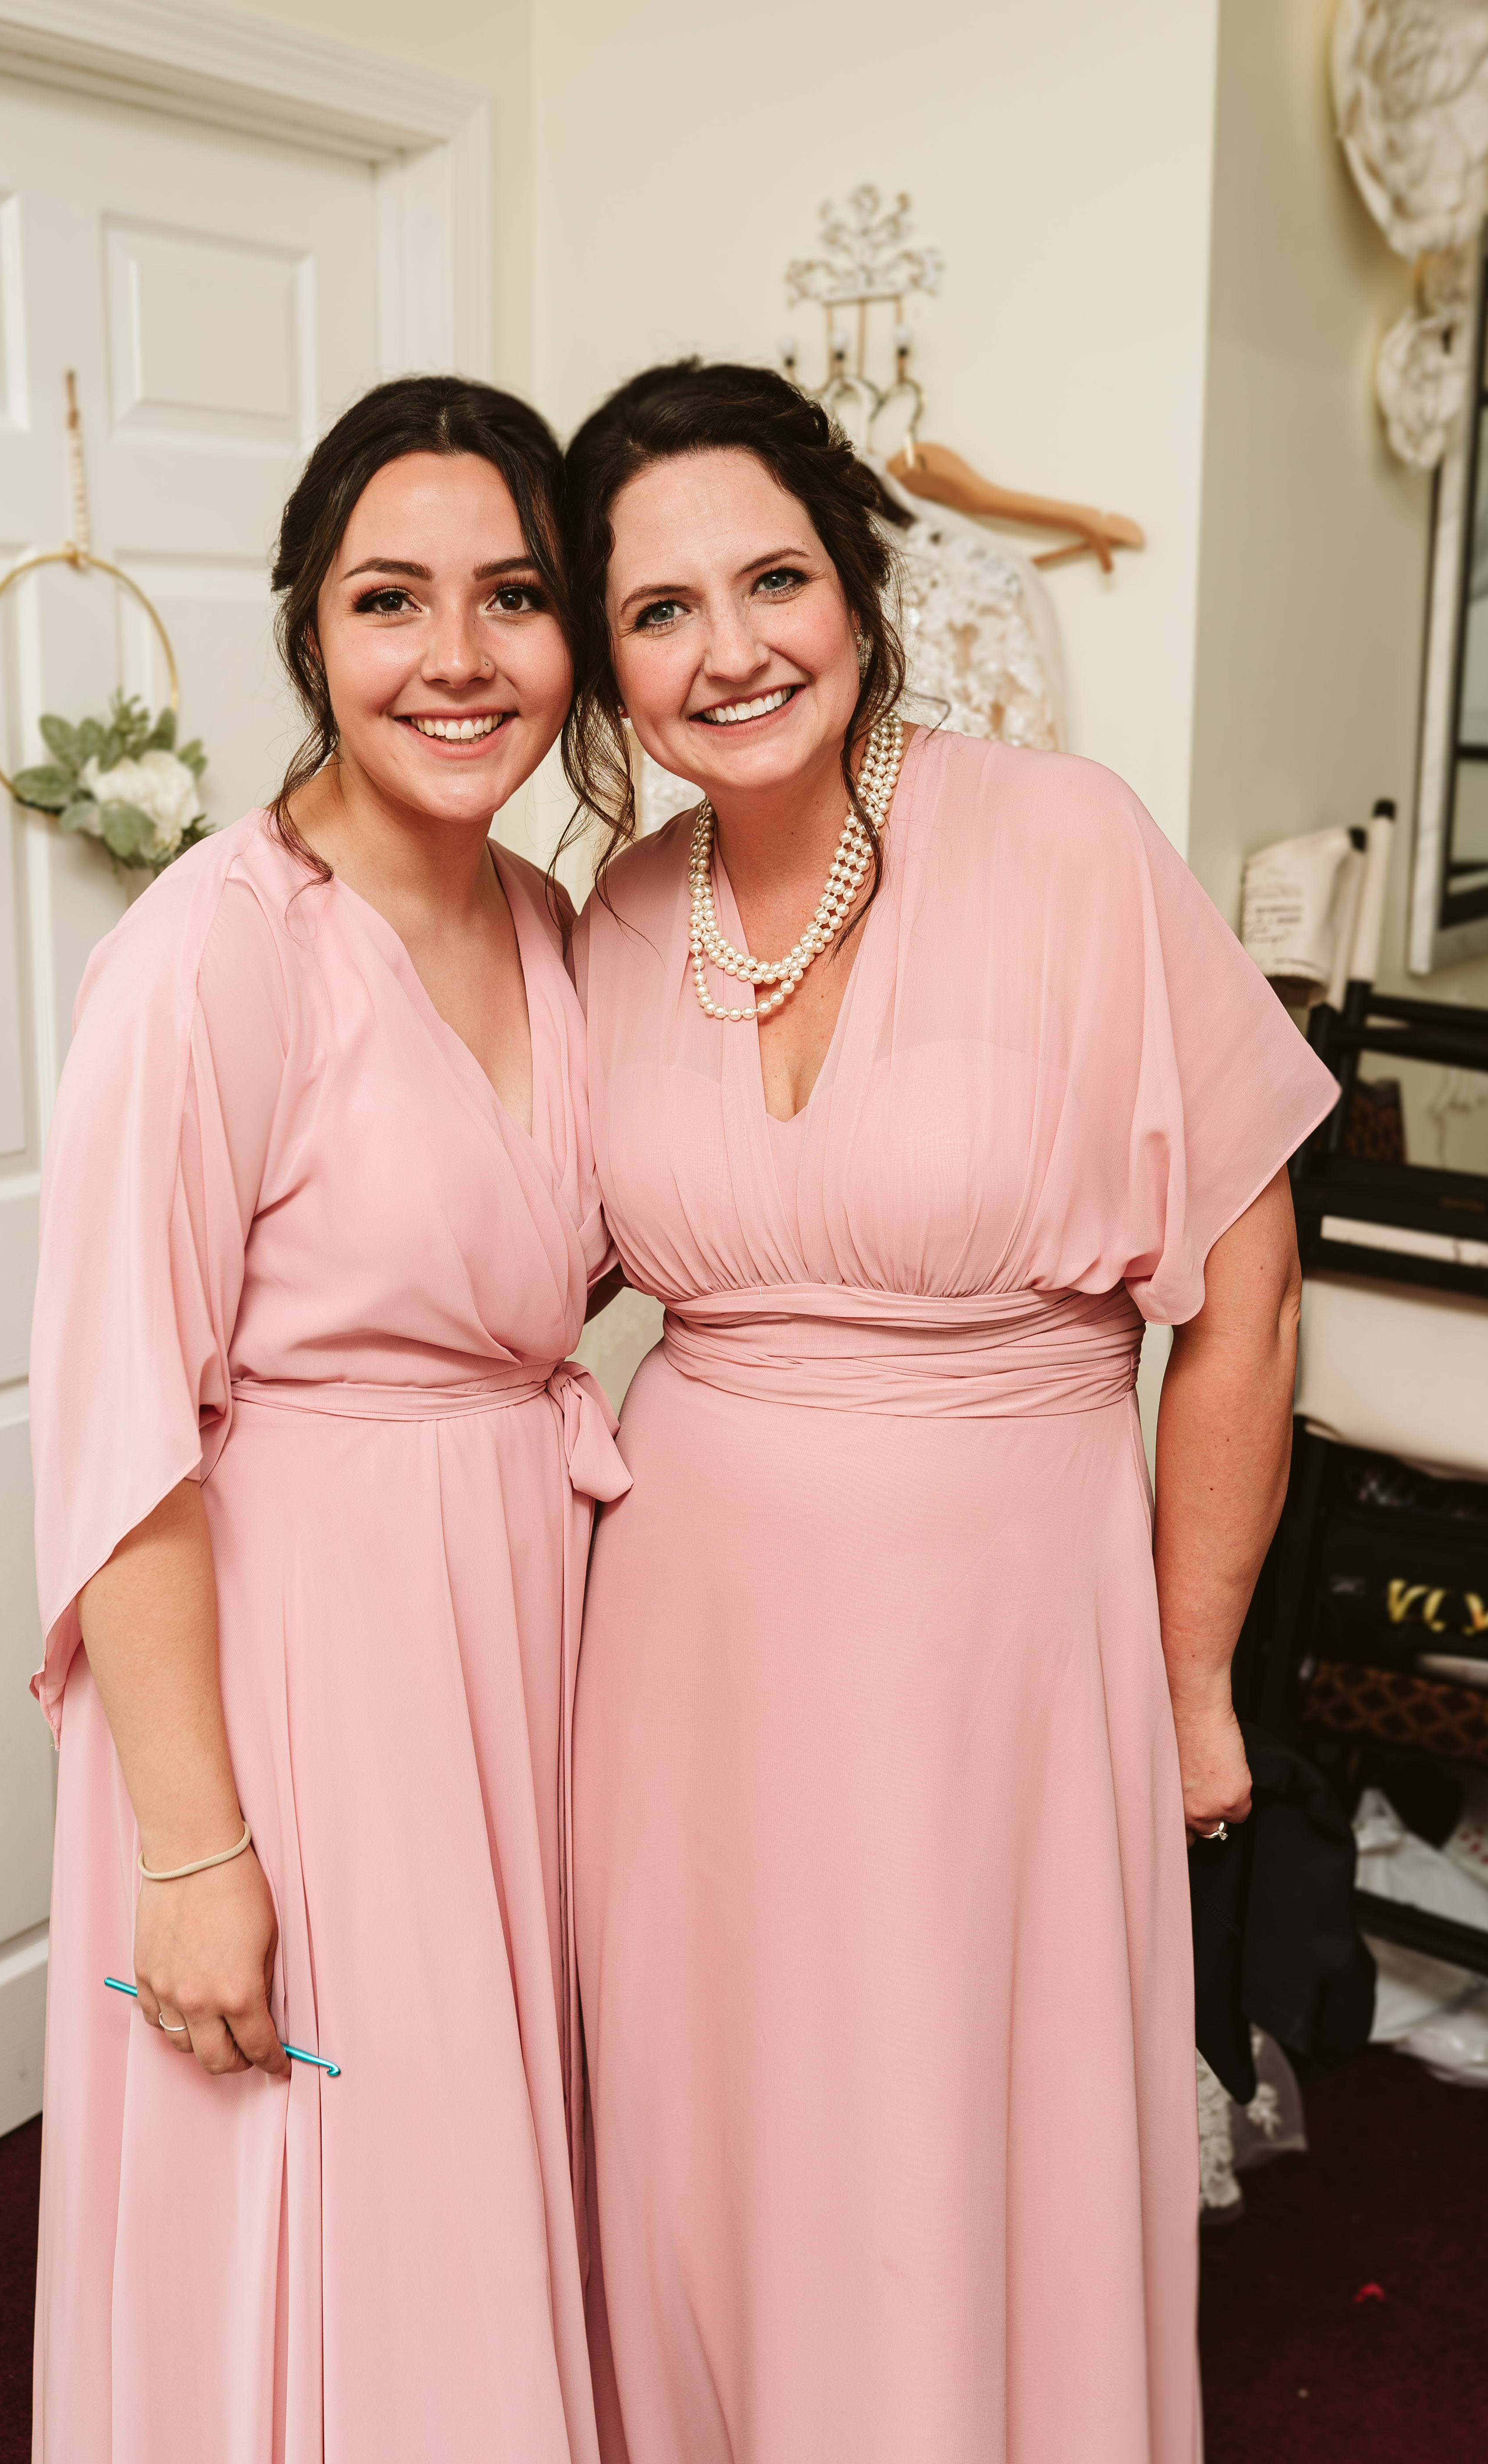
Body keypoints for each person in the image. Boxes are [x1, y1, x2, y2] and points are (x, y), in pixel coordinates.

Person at [558, 361, 1338, 2464]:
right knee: (714, 2130)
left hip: (1005, 1645)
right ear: (607, 663)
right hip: (686, 1657)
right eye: (657, 610)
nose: (729, 648)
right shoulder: (616, 916)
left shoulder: (1064, 838)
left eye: (771, 579)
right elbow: (506, 1277)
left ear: (854, 584)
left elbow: (1246, 1292)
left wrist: (1189, 1670)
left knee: (959, 2131)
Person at [28, 375, 627, 2464]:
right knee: (328, 2177)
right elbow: (120, 1431)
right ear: (309, 629)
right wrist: (195, 1846)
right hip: (294, 1661)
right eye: (391, 599)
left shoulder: (547, 923)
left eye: (513, 596)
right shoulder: (207, 958)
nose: (457, 656)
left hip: (510, 1616)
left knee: (475, 2170)